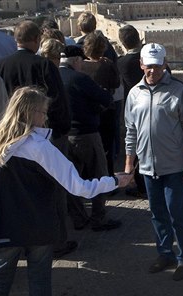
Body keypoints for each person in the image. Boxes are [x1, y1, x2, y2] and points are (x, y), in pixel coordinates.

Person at [0, 86, 131, 296]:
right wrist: (113, 181)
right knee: (39, 281)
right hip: (37, 224)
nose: (45, 118)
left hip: (4, 225)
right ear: (31, 112)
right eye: (43, 112)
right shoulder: (39, 148)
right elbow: (77, 186)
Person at [0, 20, 75, 258]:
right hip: (43, 134)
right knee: (54, 187)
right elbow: (58, 101)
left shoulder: (1, 65)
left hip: (13, 137)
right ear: (36, 40)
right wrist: (61, 129)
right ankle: (57, 240)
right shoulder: (43, 65)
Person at [124, 43, 183, 281]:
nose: (153, 71)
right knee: (157, 214)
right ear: (141, 65)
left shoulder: (178, 90)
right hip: (147, 167)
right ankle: (164, 253)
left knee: (177, 214)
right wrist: (128, 165)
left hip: (174, 166)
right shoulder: (135, 93)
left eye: (157, 66)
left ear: (165, 65)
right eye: (149, 66)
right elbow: (131, 131)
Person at [59, 45, 120, 231]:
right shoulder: (79, 79)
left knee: (69, 180)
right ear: (77, 60)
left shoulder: (51, 77)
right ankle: (98, 218)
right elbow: (105, 99)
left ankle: (78, 218)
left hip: (63, 137)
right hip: (86, 135)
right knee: (99, 176)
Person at [81, 32, 120, 176]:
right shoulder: (107, 64)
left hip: (88, 111)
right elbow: (116, 83)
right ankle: (108, 177)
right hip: (106, 109)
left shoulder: (80, 67)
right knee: (107, 147)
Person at [117, 25, 147, 198]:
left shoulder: (122, 62)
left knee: (135, 146)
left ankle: (141, 186)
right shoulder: (148, 58)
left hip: (134, 108)